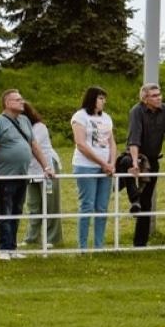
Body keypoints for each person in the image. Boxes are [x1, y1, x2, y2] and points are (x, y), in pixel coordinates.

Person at [0, 89, 56, 261]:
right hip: (6, 176)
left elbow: (34, 145)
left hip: (23, 174)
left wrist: (46, 166)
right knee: (5, 210)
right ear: (7, 103)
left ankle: (12, 247)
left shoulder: (24, 121)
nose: (22, 102)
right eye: (17, 100)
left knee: (17, 210)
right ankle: (4, 248)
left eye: (21, 99)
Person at [121, 83, 165, 247]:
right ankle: (134, 199)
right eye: (154, 95)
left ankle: (140, 244)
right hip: (133, 155)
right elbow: (134, 139)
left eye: (159, 94)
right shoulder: (136, 111)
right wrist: (136, 162)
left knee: (147, 202)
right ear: (145, 99)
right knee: (127, 162)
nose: (159, 98)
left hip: (153, 160)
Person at [69, 88, 116, 250]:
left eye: (104, 98)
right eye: (101, 98)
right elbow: (81, 144)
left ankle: (99, 245)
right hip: (85, 166)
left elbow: (111, 142)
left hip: (105, 168)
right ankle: (82, 246)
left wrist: (111, 163)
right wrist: (102, 163)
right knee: (87, 205)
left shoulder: (107, 118)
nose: (104, 101)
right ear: (92, 99)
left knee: (102, 207)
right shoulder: (80, 117)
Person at [20, 102, 63, 250]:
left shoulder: (39, 127)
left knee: (50, 204)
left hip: (47, 168)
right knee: (33, 205)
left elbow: (29, 146)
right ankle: (32, 237)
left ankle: (53, 238)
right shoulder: (17, 128)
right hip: (30, 170)